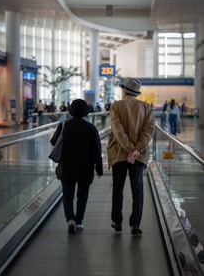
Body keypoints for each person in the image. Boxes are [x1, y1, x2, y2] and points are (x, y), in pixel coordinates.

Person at [107, 78, 155, 236]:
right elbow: (148, 131)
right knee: (138, 189)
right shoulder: (147, 107)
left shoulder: (116, 106)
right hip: (139, 156)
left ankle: (117, 221)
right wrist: (136, 150)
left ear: (124, 91)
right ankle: (135, 224)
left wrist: (128, 149)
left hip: (120, 154)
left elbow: (117, 129)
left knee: (118, 188)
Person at [59, 99, 103, 234]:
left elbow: (54, 142)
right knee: (82, 195)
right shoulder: (91, 128)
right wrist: (99, 169)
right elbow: (97, 150)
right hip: (85, 167)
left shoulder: (64, 126)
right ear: (86, 112)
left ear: (71, 111)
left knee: (68, 195)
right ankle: (79, 221)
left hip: (67, 166)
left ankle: (70, 219)